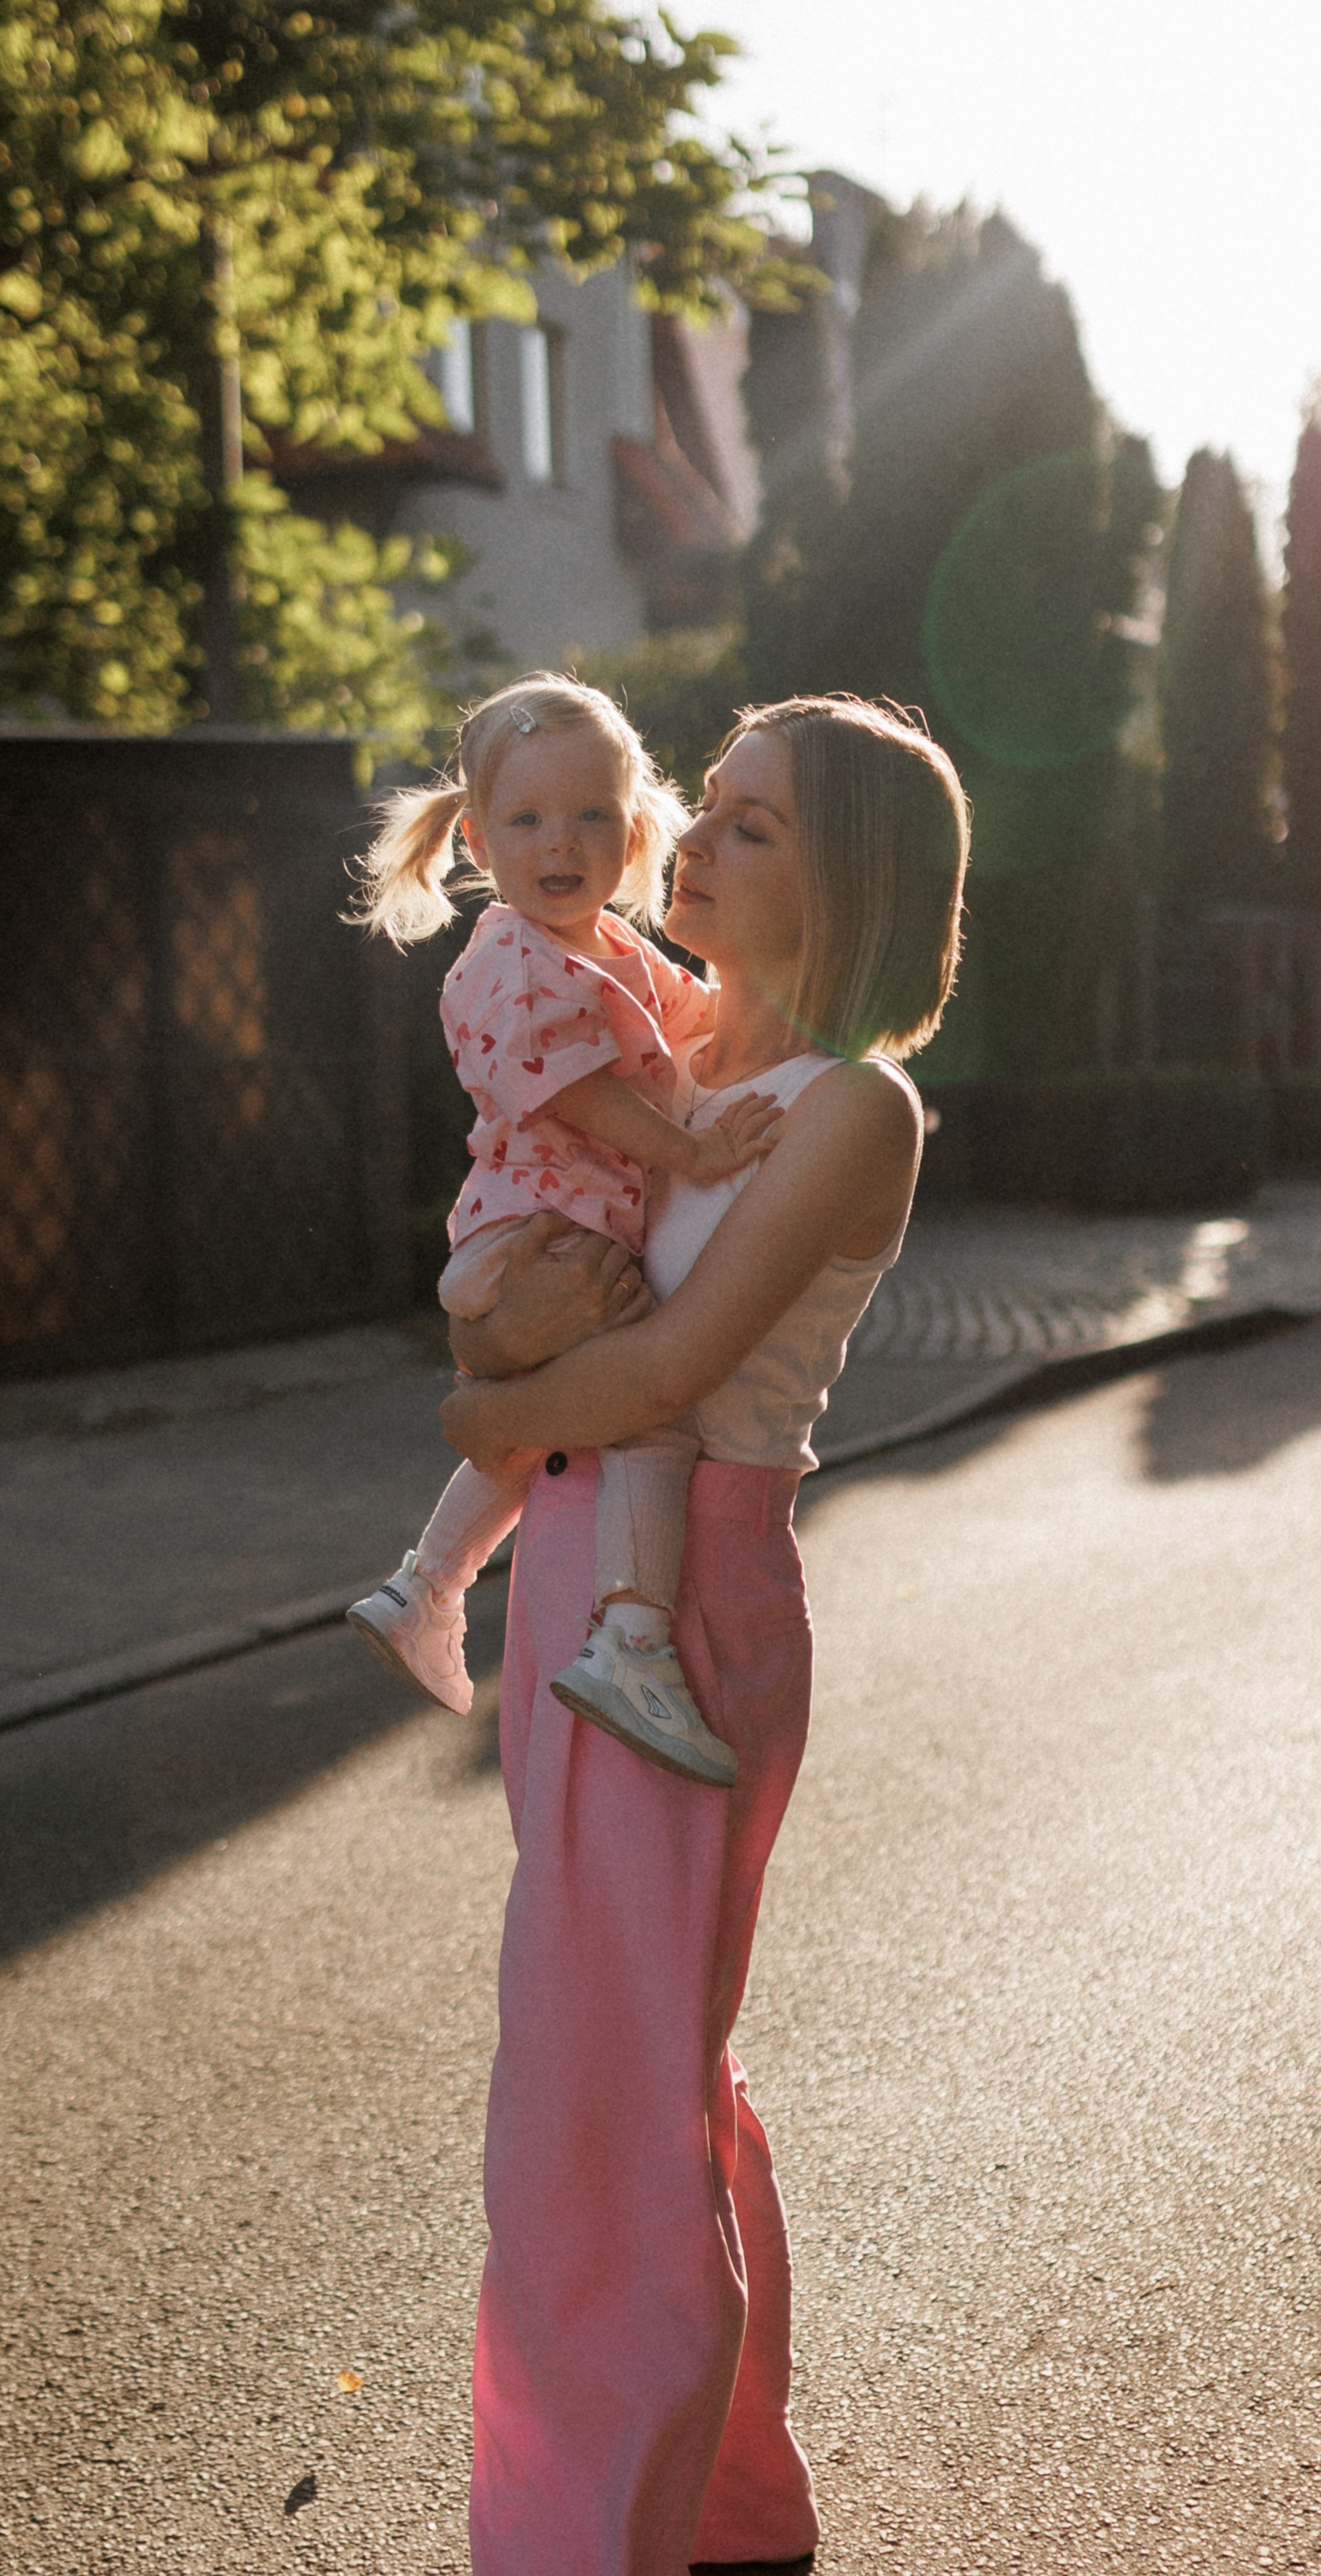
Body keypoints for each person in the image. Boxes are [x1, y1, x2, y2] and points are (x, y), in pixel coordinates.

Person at [376, 695, 971, 2576]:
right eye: (691, 811)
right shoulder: (656, 1050)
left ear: (851, 879)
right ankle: (715, 2508)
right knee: (648, 2069)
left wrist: (477, 1412)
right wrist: (507, 1395)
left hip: (682, 1593)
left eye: (742, 821)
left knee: (585, 2103)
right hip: (570, 1587)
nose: (684, 847)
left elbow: (661, 1366)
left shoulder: (846, 1107)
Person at [347, 673, 787, 1788]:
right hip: (533, 1235)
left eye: (593, 813)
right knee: (651, 1417)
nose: (564, 840)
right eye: (530, 819)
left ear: (632, 828)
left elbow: (695, 1028)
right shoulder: (505, 956)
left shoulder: (607, 949)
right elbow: (571, 1086)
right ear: (482, 841)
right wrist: (688, 1152)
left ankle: (427, 1585)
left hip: (555, 1232)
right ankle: (632, 1638)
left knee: (551, 1420)